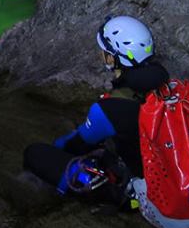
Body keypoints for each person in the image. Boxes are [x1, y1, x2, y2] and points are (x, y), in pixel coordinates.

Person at [22, 15, 169, 201]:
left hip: (153, 196)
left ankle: (122, 197)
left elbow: (73, 144)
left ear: (112, 59)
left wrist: (58, 148)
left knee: (35, 154)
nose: (101, 54)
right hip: (182, 181)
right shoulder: (170, 87)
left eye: (104, 51)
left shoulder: (110, 109)